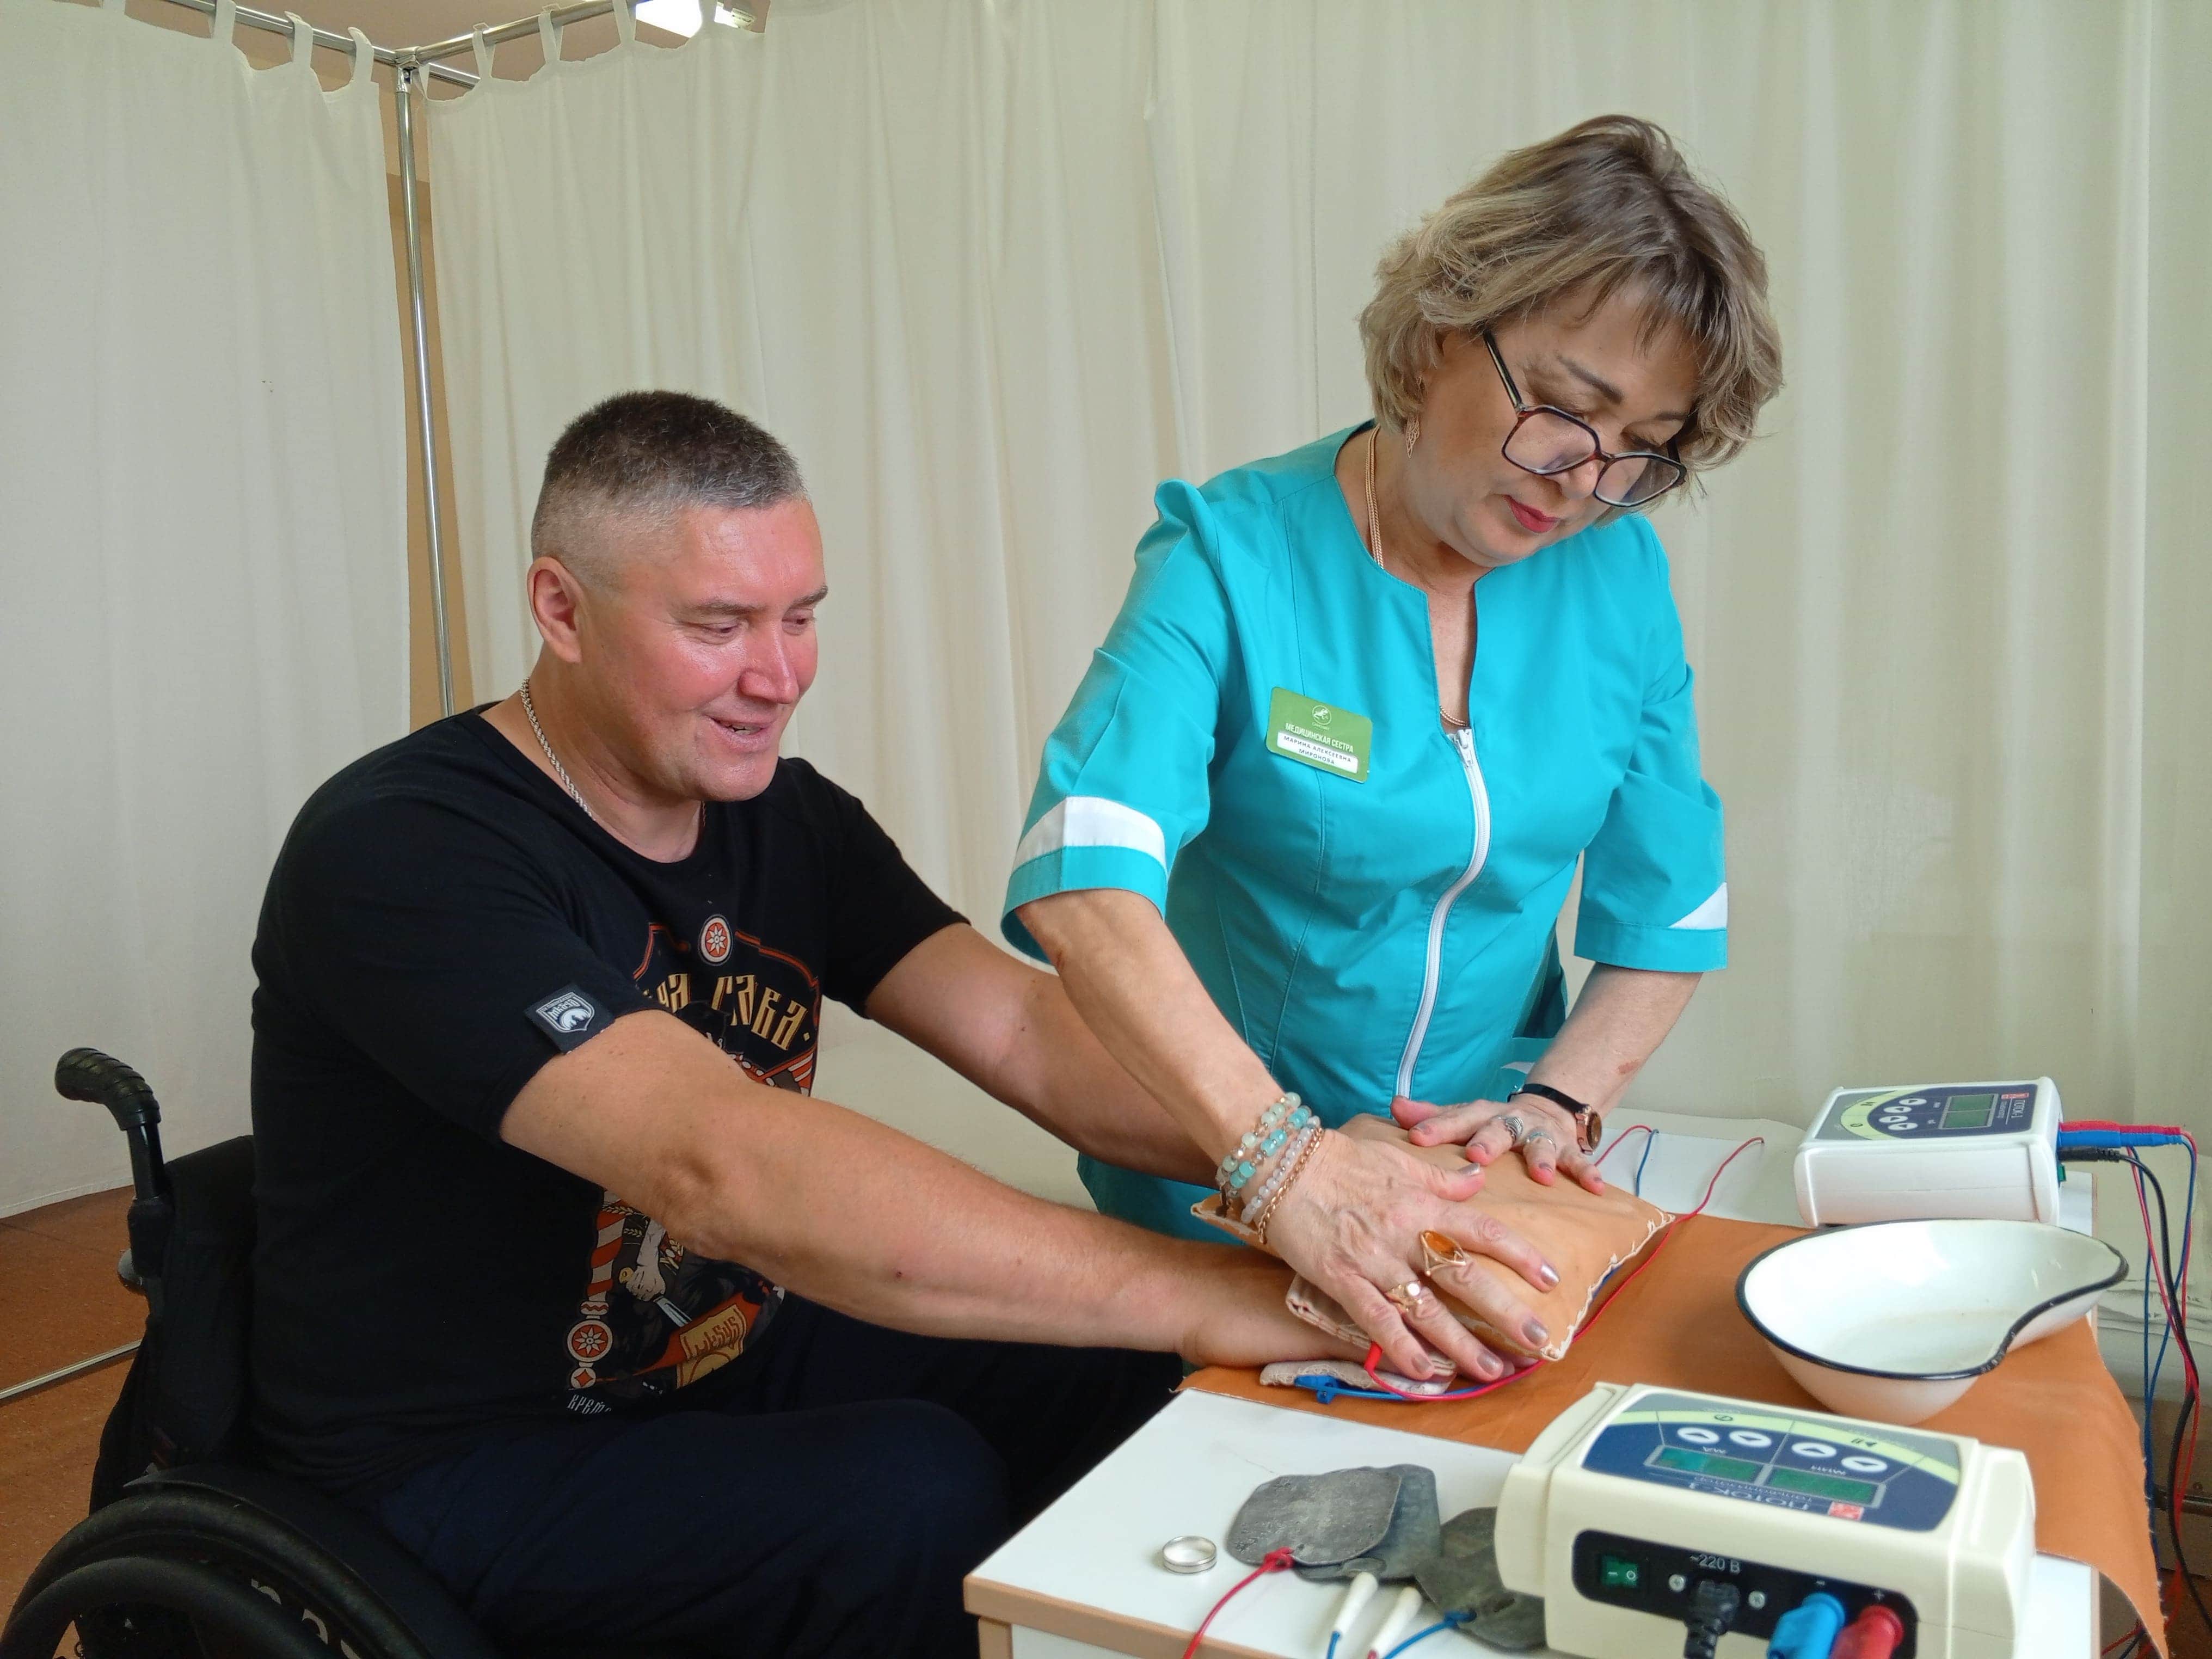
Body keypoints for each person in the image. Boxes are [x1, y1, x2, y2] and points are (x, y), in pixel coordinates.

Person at [247, 391, 1359, 1659]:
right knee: (906, 1491)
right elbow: (721, 1165)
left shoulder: (787, 817)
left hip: (714, 1351)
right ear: (560, 608)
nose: (777, 678)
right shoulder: (402, 848)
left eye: (800, 618)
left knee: (1123, 1377)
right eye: (716, 626)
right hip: (451, 1457)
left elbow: (1021, 1032)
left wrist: (1316, 1162)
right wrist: (1206, 1287)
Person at [1006, 116, 1785, 1388]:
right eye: (1567, 409)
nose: (1582, 482)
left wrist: (1553, 1106)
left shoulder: (1617, 577)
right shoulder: (1231, 556)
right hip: (1217, 1187)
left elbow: (1669, 906)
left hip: (1462, 1190)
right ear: (1435, 337)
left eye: (1643, 448)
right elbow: (1082, 872)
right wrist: (1281, 1164)